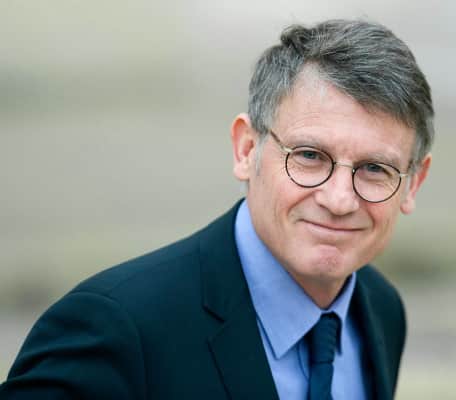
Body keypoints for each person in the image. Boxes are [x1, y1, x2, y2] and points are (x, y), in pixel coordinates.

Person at [0, 19, 433, 399]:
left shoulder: (380, 309)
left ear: (413, 183)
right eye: (309, 156)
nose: (339, 200)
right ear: (246, 149)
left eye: (375, 169)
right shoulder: (116, 329)